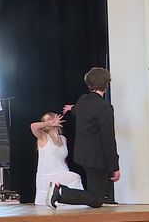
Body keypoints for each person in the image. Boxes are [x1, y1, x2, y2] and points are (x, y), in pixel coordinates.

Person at [47, 67, 120, 208]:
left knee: (96, 196)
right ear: (106, 84)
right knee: (97, 199)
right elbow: (108, 139)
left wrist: (71, 108)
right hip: (96, 158)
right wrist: (114, 166)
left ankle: (60, 192)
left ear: (89, 84)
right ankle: (60, 191)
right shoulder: (105, 107)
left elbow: (78, 109)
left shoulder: (82, 101)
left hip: (82, 155)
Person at [31, 112, 83, 205]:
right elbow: (33, 126)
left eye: (49, 119)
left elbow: (63, 160)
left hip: (62, 173)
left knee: (74, 177)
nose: (46, 122)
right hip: (48, 175)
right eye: (44, 120)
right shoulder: (43, 137)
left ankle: (74, 203)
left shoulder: (63, 139)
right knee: (75, 177)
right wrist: (49, 123)